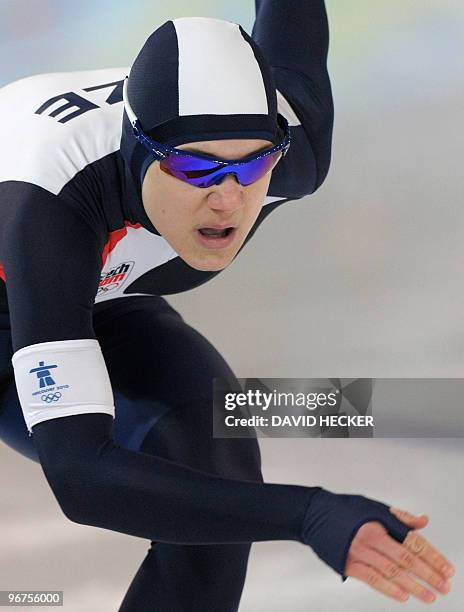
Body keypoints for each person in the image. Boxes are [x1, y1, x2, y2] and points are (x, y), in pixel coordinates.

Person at [0, 2, 455, 610]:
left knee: (214, 485)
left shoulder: (296, 149)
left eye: (253, 163)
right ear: (137, 153)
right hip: (37, 273)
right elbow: (81, 478)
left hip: (97, 294)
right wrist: (309, 513)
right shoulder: (49, 204)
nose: (228, 200)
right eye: (195, 166)